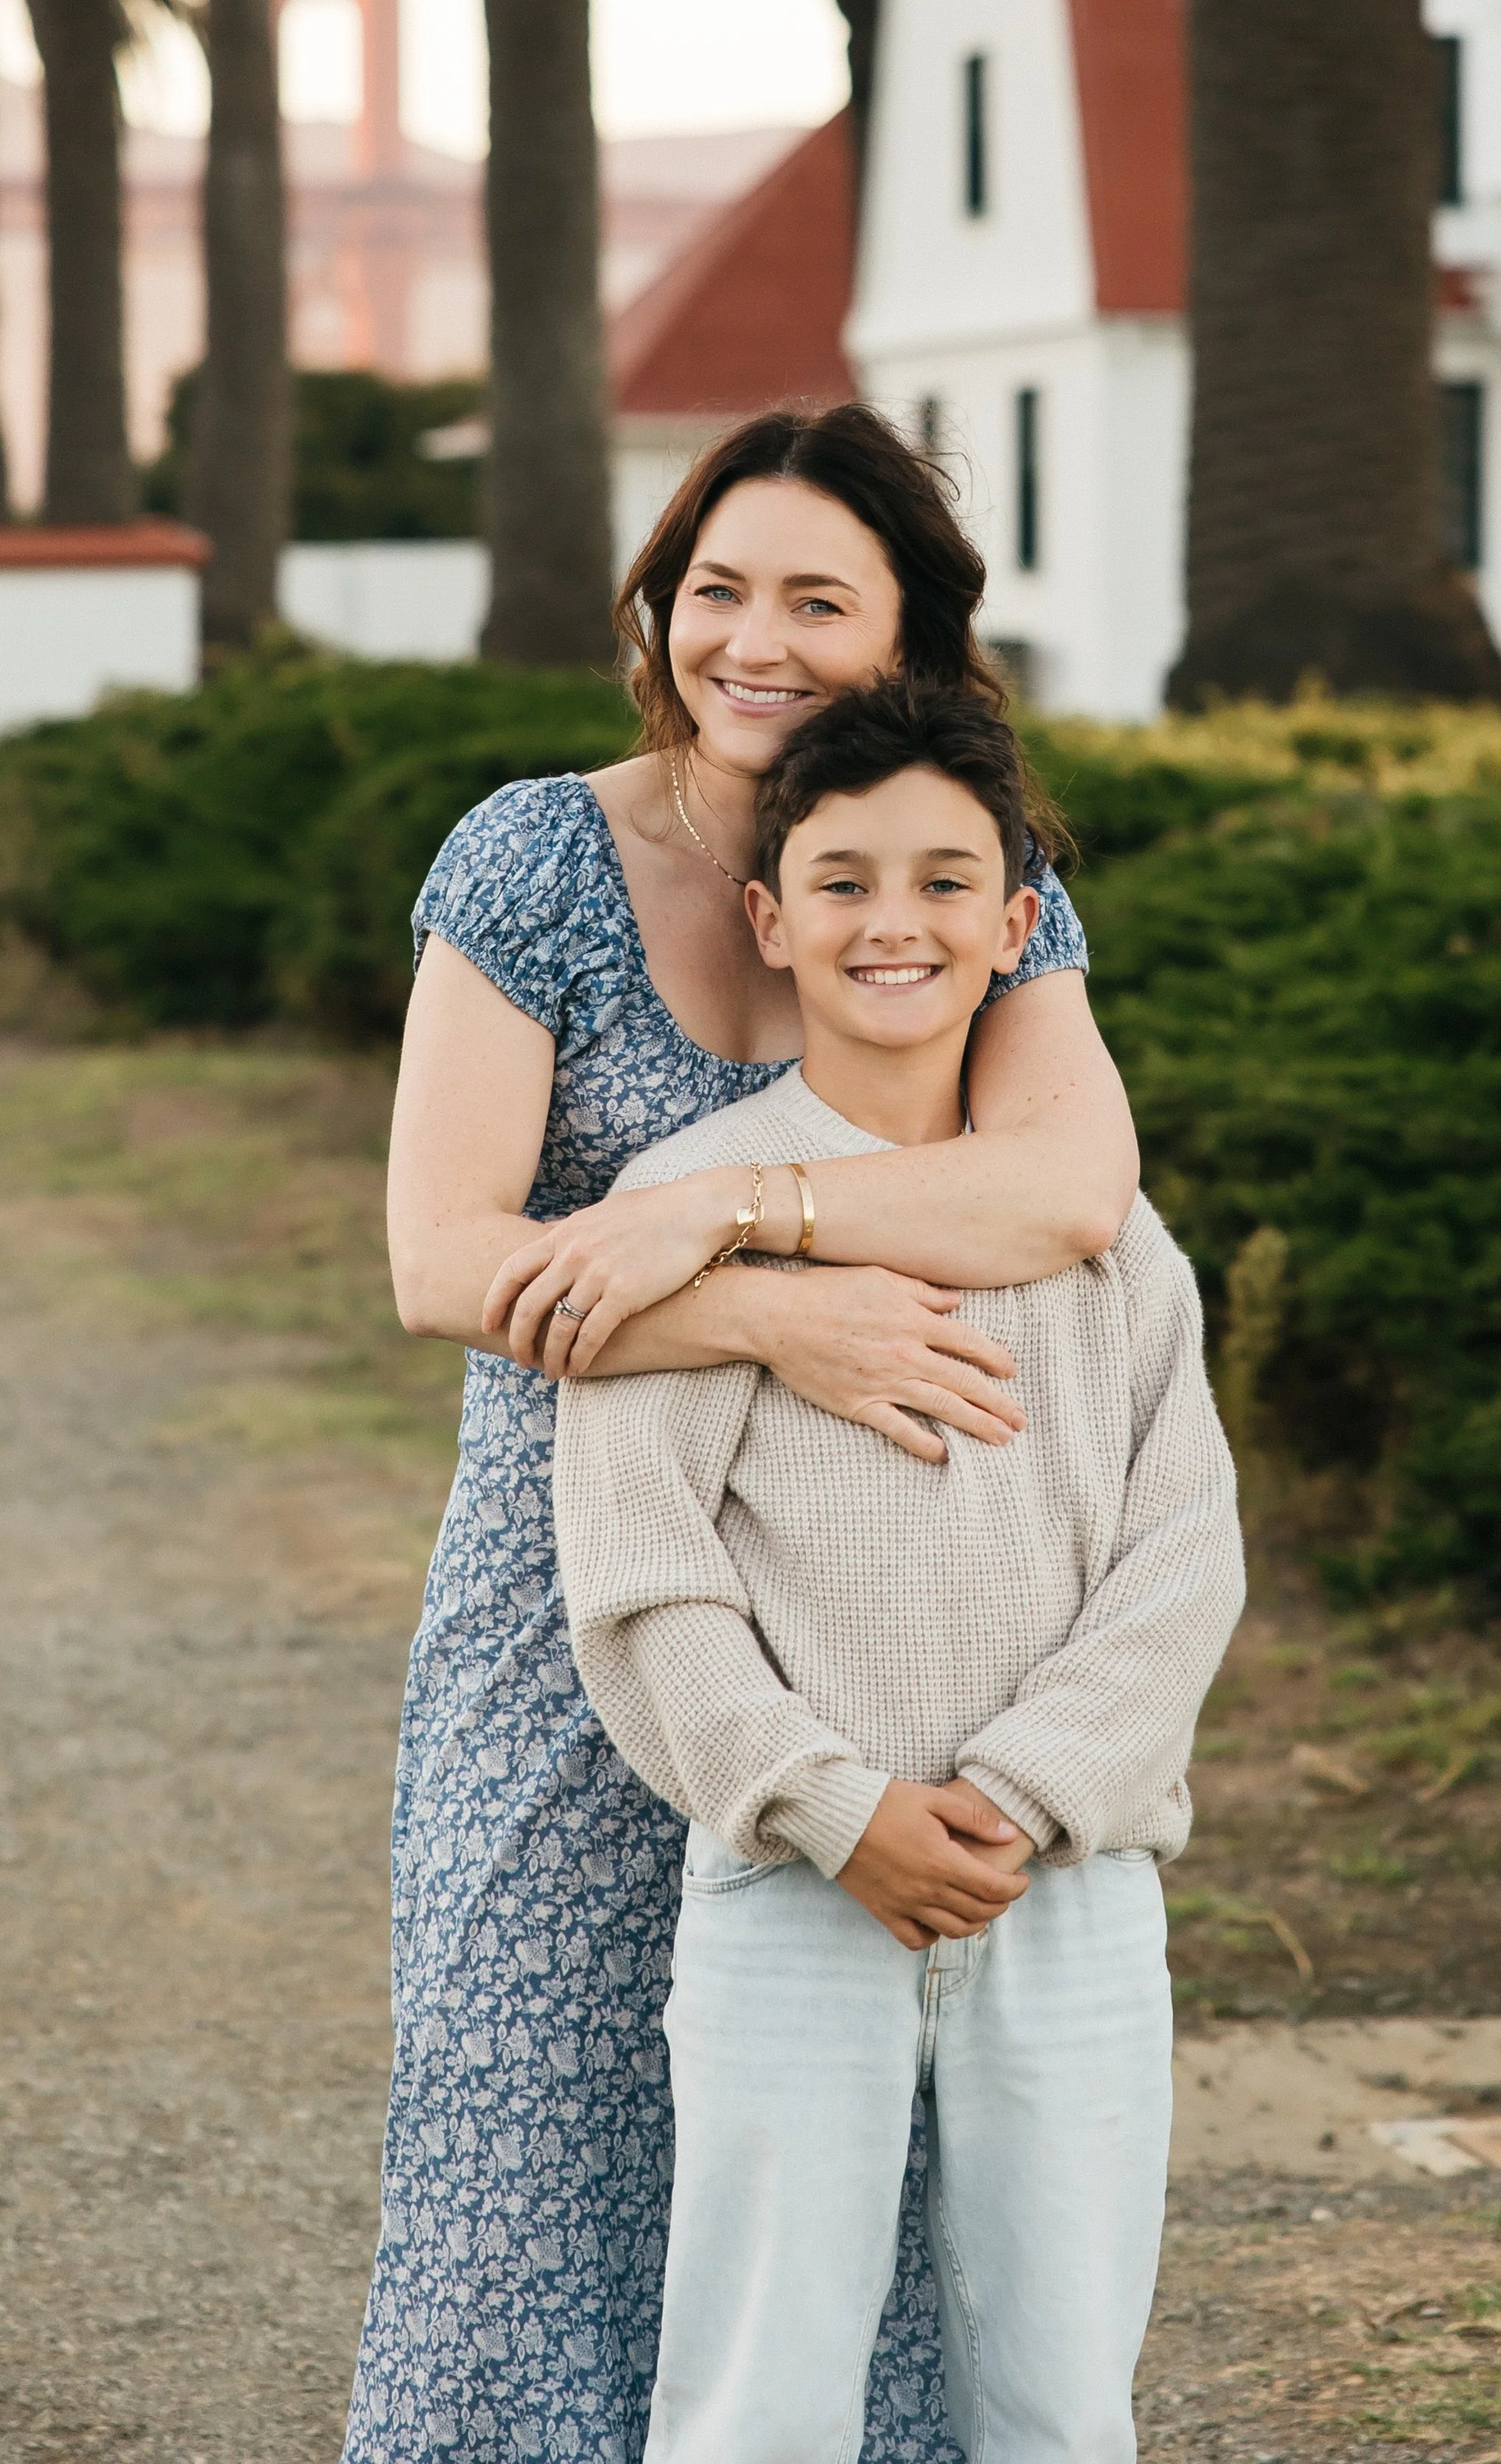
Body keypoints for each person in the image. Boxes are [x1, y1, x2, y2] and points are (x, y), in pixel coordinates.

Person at [342, 404, 1142, 2464]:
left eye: (817, 598)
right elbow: (445, 1260)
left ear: (909, 640)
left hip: (885, 1635)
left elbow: (1061, 1192)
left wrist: (710, 1204)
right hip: (578, 1608)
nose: (752, 640)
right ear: (659, 607)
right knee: (531, 2169)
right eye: (716, 589)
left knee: (828, 2203)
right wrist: (773, 1319)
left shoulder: (970, 880)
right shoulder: (532, 858)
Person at [553, 682, 1244, 2464]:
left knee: (1058, 2398)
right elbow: (641, 1581)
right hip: (791, 1890)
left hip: (1065, 1889)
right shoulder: (676, 1203)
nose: (893, 922)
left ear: (1015, 928)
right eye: (843, 881)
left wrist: (1023, 1794)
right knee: (754, 2399)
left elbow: (1183, 1549)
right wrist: (826, 1806)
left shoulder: (1090, 1221)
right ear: (770, 923)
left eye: (945, 882)